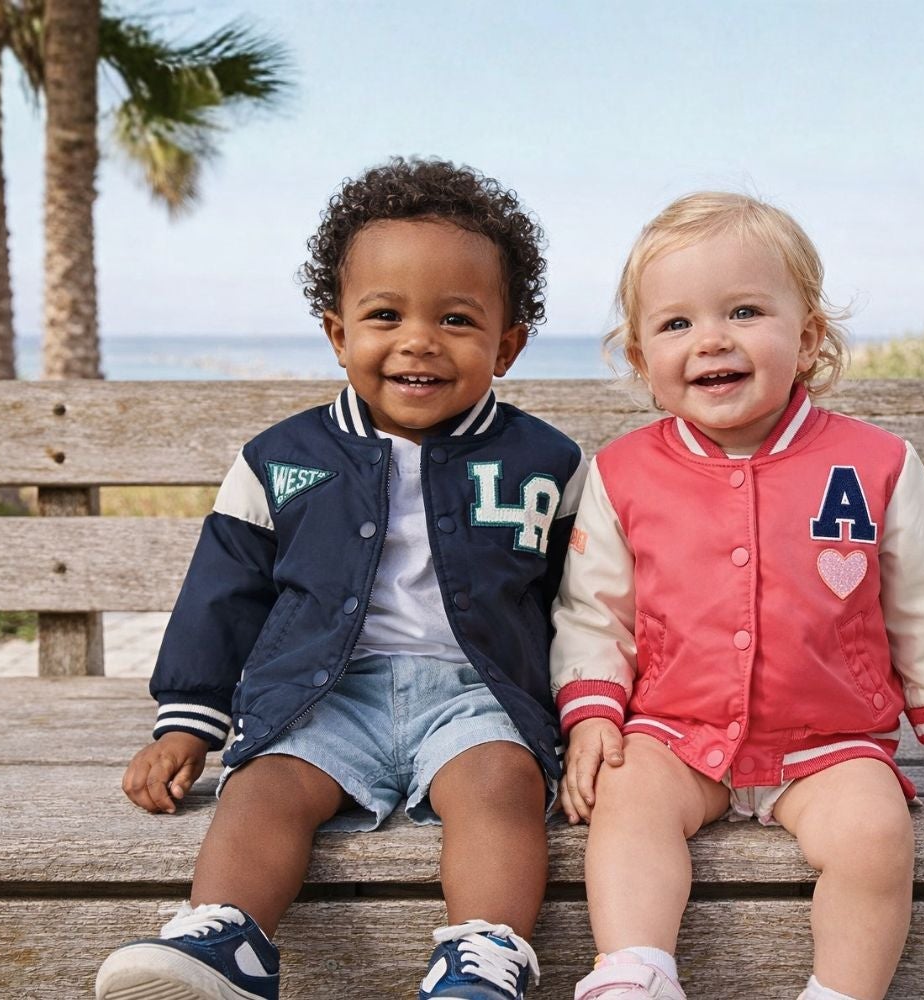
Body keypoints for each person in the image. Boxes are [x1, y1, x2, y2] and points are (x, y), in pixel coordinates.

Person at [93, 158, 579, 1000]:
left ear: (507, 343)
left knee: (503, 783)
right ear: (337, 332)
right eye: (384, 314)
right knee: (263, 789)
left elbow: (584, 603)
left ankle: (483, 959)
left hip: (480, 694)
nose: (418, 340)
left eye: (457, 319)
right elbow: (225, 592)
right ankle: (226, 942)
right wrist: (188, 724)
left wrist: (593, 721)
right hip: (321, 695)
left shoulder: (546, 463)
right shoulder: (282, 461)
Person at [553, 192, 924, 1000]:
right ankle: (634, 970)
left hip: (828, 740)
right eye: (675, 324)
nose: (710, 338)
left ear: (808, 336)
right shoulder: (624, 472)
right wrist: (595, 713)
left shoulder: (873, 463)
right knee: (626, 801)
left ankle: (842, 990)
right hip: (678, 731)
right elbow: (593, 611)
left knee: (876, 835)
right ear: (642, 360)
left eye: (744, 311)